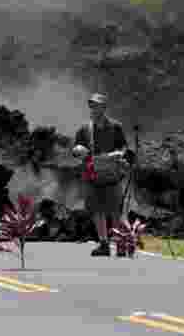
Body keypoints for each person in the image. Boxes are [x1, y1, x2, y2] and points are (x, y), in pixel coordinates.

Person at [72, 93, 129, 257]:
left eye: (97, 105)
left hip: (113, 173)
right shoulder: (84, 129)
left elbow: (124, 147)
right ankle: (103, 243)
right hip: (92, 173)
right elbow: (76, 149)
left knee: (115, 211)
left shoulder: (116, 127)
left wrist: (117, 154)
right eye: (91, 105)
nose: (93, 109)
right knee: (97, 210)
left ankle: (120, 244)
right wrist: (77, 151)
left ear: (104, 107)